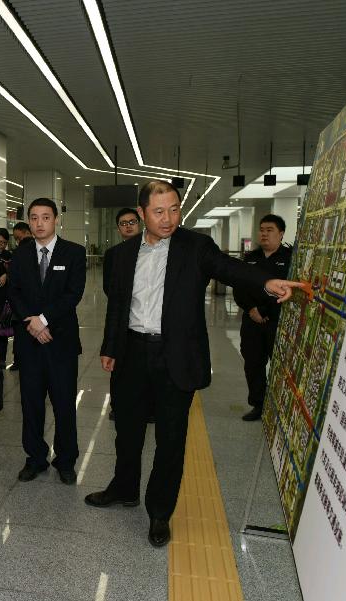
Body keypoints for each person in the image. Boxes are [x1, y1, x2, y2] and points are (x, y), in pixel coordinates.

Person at [85, 180, 302, 548]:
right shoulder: (121, 255)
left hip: (176, 355)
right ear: (141, 213)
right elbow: (117, 306)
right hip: (132, 352)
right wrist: (110, 347)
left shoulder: (196, 246)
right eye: (159, 211)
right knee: (128, 430)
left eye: (174, 209)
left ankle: (159, 511)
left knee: (171, 438)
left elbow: (231, 268)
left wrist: (267, 283)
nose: (168, 218)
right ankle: (124, 487)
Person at [8, 198, 86, 485]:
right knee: (31, 403)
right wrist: (32, 323)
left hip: (60, 341)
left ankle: (65, 460)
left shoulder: (74, 252)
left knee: (64, 403)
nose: (39, 223)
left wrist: (43, 319)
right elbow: (14, 292)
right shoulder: (20, 254)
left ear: (56, 220)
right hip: (29, 341)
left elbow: (73, 293)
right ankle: (35, 458)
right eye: (34, 218)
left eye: (45, 217)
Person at [234, 214, 292, 421]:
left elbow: (288, 290)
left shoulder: (290, 258)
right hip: (251, 322)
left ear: (281, 233)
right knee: (253, 364)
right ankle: (258, 404)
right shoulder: (250, 258)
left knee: (280, 365)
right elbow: (239, 287)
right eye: (262, 230)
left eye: (270, 230)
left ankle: (280, 407)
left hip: (277, 322)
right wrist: (251, 309)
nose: (264, 234)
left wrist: (264, 310)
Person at [102, 208, 142, 422]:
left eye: (132, 222)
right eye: (123, 223)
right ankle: (117, 406)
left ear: (139, 224)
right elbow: (108, 287)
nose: (128, 226)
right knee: (119, 366)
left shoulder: (150, 251)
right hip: (122, 319)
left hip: (146, 320)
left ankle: (147, 408)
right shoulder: (113, 254)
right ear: (118, 228)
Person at [8, 222, 33, 371]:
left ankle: (19, 361)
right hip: (21, 307)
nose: (17, 241)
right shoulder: (18, 254)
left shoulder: (21, 253)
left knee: (21, 336)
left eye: (19, 237)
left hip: (21, 308)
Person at [0, 228, 13, 365]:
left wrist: (6, 274)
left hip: (2, 296)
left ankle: (2, 359)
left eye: (4, 243)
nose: (2, 245)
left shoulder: (8, 255)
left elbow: (15, 272)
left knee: (2, 327)